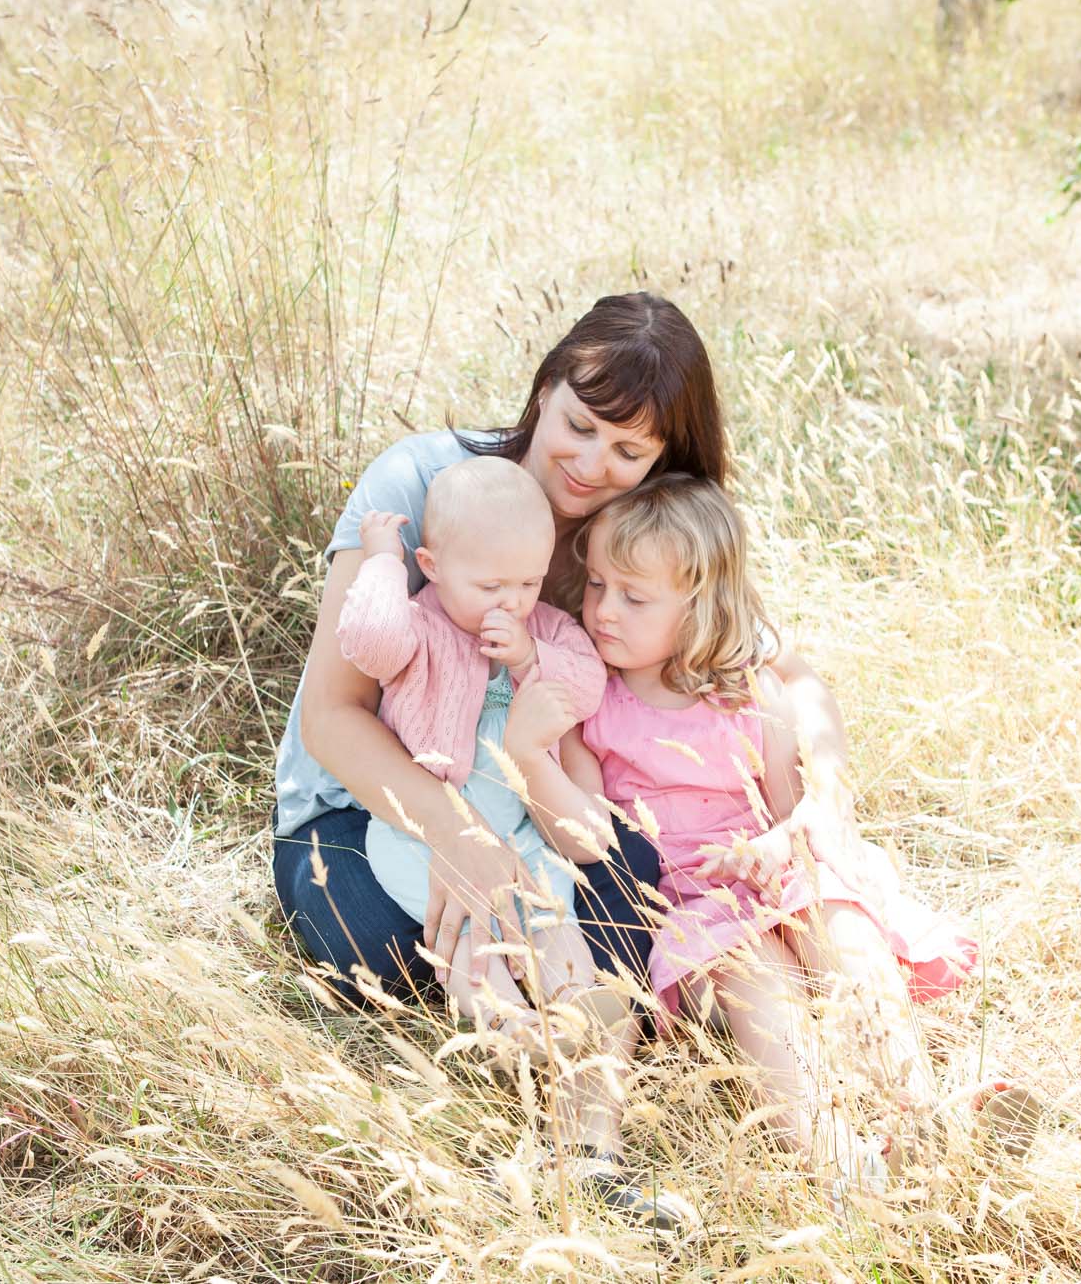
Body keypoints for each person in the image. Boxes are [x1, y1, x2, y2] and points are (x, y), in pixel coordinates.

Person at [271, 291, 869, 1221]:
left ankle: (588, 1140)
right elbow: (333, 718)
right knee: (387, 946)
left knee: (631, 869)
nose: (591, 465)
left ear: (663, 462)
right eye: (578, 425)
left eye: (628, 451)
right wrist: (460, 841)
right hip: (368, 807)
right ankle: (545, 1042)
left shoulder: (635, 534)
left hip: (535, 807)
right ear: (543, 390)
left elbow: (786, 668)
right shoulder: (427, 485)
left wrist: (822, 791)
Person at [502, 474, 980, 1198]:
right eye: (597, 584)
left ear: (700, 605)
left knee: (845, 938)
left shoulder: (747, 693)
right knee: (759, 987)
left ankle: (922, 1108)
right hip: (695, 908)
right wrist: (533, 756)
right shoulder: (594, 707)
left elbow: (794, 812)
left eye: (634, 596)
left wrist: (777, 844)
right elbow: (585, 837)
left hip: (779, 876)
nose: (602, 610)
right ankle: (842, 1161)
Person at [336, 456, 621, 1057]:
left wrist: (526, 660)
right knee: (470, 928)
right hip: (419, 831)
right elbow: (367, 639)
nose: (511, 603)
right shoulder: (418, 629)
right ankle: (507, 1029)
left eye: (527, 583)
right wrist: (383, 558)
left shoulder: (545, 628)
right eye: (490, 587)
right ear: (433, 568)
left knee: (550, 911)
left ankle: (575, 1005)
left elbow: (587, 684)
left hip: (520, 825)